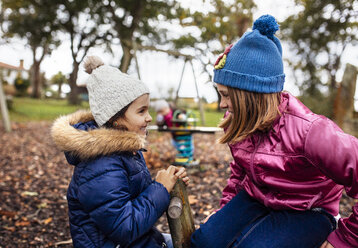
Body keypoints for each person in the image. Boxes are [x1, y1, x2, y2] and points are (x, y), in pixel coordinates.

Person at [190, 15, 358, 248]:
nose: (222, 105)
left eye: (227, 95)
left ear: (250, 95)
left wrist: (346, 239)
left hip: (308, 209)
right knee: (204, 241)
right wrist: (224, 211)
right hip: (257, 197)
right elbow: (240, 173)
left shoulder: (310, 132)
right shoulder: (237, 120)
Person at [51, 56, 189, 248]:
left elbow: (132, 198)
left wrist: (167, 183)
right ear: (115, 118)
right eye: (141, 111)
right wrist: (160, 189)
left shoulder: (125, 150)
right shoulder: (99, 164)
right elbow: (125, 228)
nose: (149, 118)